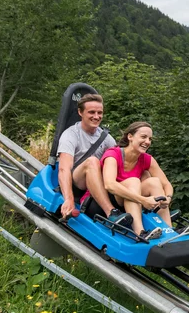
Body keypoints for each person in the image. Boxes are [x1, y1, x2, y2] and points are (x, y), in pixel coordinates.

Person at [56, 94, 133, 228]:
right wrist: (68, 198)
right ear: (80, 112)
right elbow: (63, 169)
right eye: (91, 112)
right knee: (92, 161)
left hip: (98, 182)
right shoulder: (71, 134)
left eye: (100, 113)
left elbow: (119, 165)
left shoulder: (106, 138)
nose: (96, 116)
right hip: (77, 182)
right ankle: (111, 213)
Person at [100, 121, 174, 239]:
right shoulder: (113, 154)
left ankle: (169, 230)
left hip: (133, 198)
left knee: (154, 182)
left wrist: (168, 198)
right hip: (112, 199)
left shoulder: (147, 159)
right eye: (143, 137)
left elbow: (166, 184)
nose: (147, 142)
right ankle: (140, 233)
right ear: (130, 137)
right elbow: (109, 185)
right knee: (133, 181)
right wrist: (143, 200)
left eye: (150, 139)